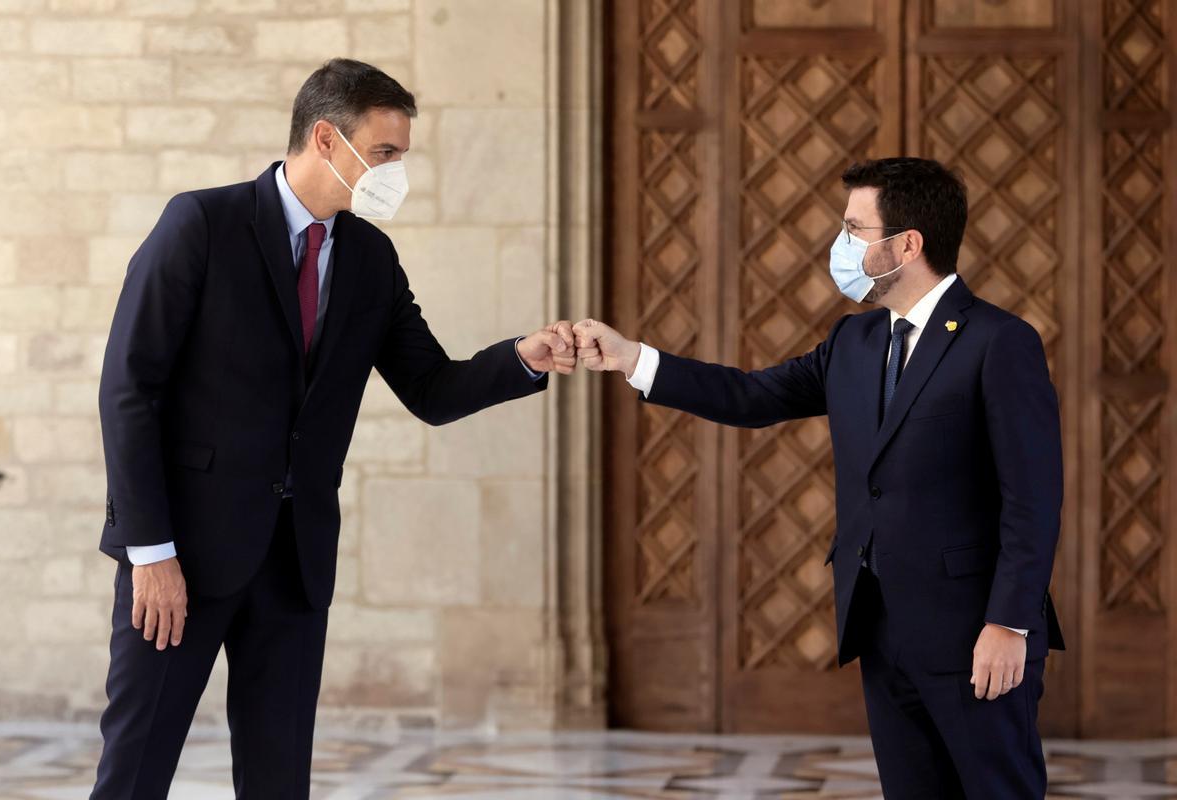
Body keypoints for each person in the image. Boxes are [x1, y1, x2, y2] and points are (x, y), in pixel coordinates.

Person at [92, 58, 577, 798]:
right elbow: (129, 390)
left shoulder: (371, 260)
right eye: (385, 153)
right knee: (134, 774)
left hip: (294, 564)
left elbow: (432, 387)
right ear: (326, 139)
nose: (396, 173)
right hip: (180, 558)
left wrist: (523, 359)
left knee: (281, 782)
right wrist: (149, 551)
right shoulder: (202, 224)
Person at [575, 157, 1065, 799]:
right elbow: (750, 397)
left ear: (907, 243)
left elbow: (1032, 498)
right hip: (881, 626)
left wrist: (1009, 625)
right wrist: (631, 359)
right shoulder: (854, 342)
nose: (841, 245)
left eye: (854, 228)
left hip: (975, 634)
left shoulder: (1000, 341)